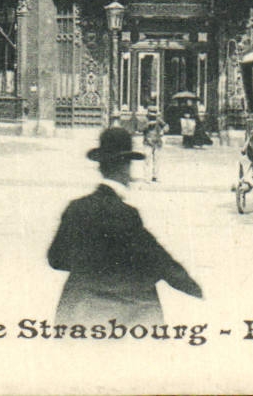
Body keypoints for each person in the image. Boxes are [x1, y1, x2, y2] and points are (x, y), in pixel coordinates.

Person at [47, 126, 203, 326]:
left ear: (100, 166)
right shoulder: (126, 214)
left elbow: (56, 259)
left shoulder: (76, 208)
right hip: (118, 315)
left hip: (77, 310)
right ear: (125, 167)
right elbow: (158, 260)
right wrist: (194, 289)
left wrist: (88, 265)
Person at [142, 106, 167, 182]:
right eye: (151, 113)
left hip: (157, 142)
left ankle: (155, 176)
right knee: (147, 159)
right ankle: (146, 177)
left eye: (154, 113)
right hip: (148, 142)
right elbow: (140, 129)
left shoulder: (158, 120)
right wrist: (147, 125)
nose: (153, 115)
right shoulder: (145, 120)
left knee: (156, 160)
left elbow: (166, 126)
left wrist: (163, 130)